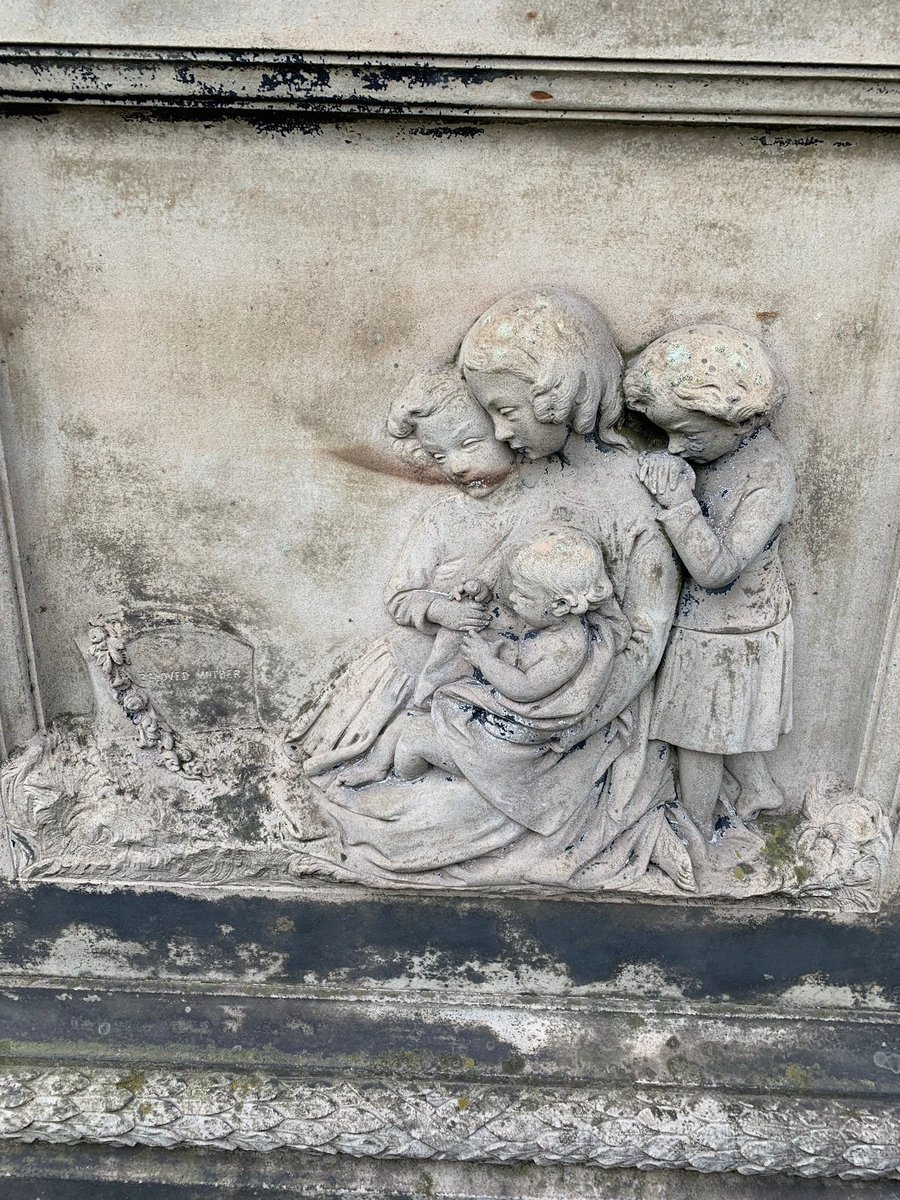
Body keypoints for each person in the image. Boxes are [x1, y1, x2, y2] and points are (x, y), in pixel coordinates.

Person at [289, 364, 515, 783]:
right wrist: (439, 610)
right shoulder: (442, 519)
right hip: (410, 666)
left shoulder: (535, 508)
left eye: (469, 444)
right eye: (440, 456)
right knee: (362, 753)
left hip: (482, 668)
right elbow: (400, 596)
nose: (457, 467)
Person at [624, 324, 796, 842]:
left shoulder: (767, 480)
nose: (675, 447)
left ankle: (696, 829)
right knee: (725, 726)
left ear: (740, 419)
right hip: (709, 622)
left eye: (688, 435)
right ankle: (761, 790)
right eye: (665, 433)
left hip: (732, 631)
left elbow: (717, 570)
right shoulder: (715, 452)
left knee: (697, 736)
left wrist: (677, 504)